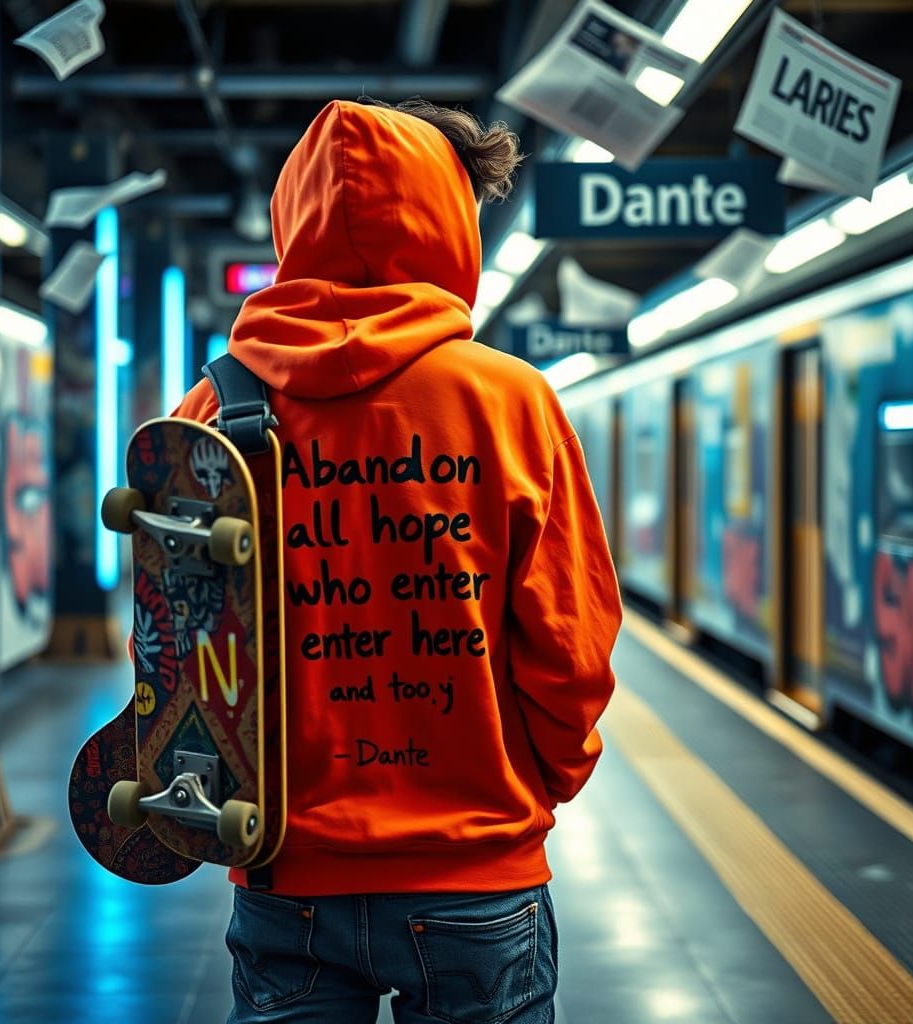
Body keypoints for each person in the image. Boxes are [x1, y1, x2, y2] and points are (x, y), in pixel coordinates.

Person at [171, 96, 623, 1023]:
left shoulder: (211, 414)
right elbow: (572, 645)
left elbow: (178, 651)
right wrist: (544, 777)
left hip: (283, 869)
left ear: (293, 225)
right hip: (476, 871)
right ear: (450, 224)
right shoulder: (510, 403)